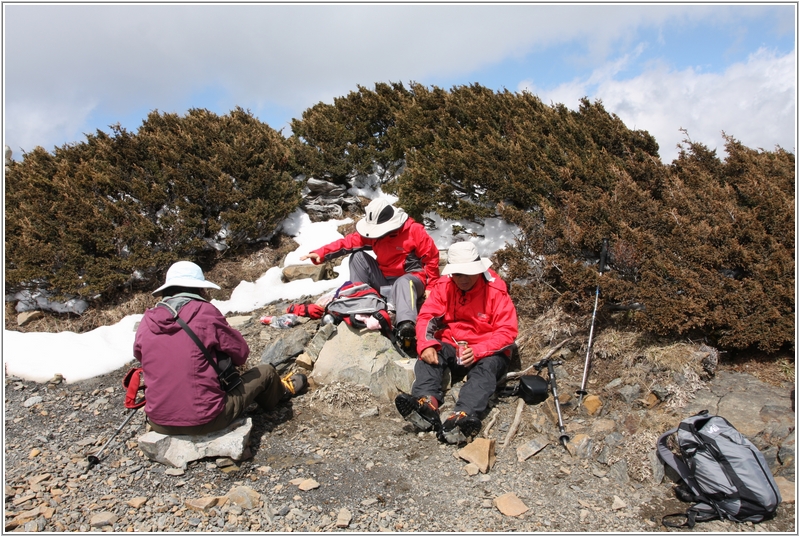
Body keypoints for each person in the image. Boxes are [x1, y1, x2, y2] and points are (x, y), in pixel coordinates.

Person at [133, 261, 306, 435]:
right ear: (200, 289)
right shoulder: (204, 312)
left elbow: (143, 358)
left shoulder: (147, 320)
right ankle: (281, 393)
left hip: (158, 422)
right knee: (266, 372)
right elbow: (241, 354)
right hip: (206, 419)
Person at [394, 241, 518, 444]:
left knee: (486, 370)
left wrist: (478, 350)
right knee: (430, 354)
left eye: (468, 273)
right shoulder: (445, 285)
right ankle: (426, 404)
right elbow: (427, 317)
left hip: (488, 350)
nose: (463, 279)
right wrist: (425, 344)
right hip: (453, 343)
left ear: (478, 270)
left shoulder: (495, 290)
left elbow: (507, 332)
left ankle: (462, 416)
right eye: (458, 274)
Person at [300, 198, 440, 354]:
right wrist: (322, 253)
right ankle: (358, 303)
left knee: (403, 282)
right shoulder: (374, 235)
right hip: (384, 280)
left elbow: (431, 258)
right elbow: (350, 242)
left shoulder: (414, 231)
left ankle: (405, 325)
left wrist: (432, 286)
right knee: (358, 257)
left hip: (411, 280)